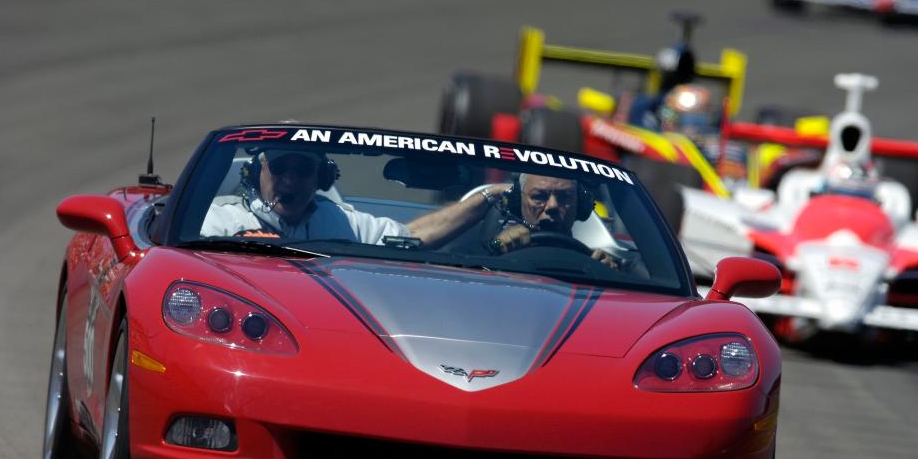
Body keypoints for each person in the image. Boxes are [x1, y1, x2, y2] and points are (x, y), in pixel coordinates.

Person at [200, 149, 505, 248]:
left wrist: (487, 197)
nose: (290, 180)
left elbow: (412, 238)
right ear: (257, 173)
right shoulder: (216, 220)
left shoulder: (342, 222)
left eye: (304, 169)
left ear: (322, 178)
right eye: (279, 169)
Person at [487, 173, 622, 269]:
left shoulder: (595, 261)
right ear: (517, 201)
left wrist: (607, 271)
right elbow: (488, 250)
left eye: (565, 197)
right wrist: (498, 242)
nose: (552, 205)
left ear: (580, 205)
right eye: (539, 196)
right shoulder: (502, 242)